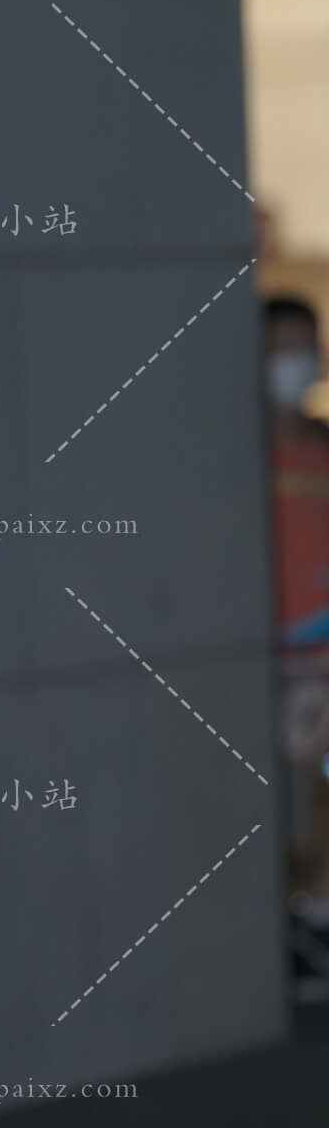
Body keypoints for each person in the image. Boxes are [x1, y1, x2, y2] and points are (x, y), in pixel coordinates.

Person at [264, 295, 329, 959]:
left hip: (322, 660)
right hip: (268, 665)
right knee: (285, 808)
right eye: (283, 346)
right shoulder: (237, 457)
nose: (297, 360)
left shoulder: (323, 446)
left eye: (306, 345)